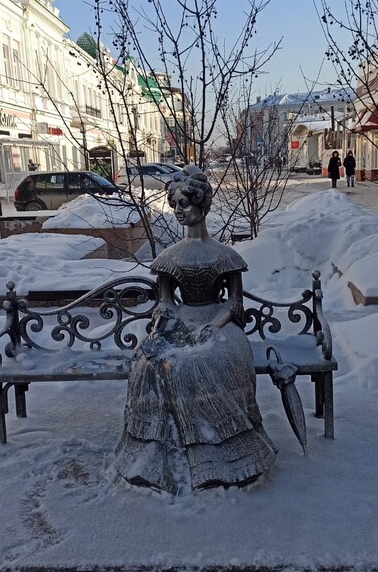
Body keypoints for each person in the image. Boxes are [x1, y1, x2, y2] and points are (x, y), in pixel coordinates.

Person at [115, 164, 277, 495]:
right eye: (174, 205)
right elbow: (164, 303)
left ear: (202, 206)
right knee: (150, 364)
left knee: (212, 360)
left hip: (219, 322)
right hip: (179, 320)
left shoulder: (225, 255)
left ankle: (225, 454)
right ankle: (158, 457)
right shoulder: (169, 257)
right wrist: (167, 326)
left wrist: (212, 327)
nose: (178, 212)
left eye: (185, 205)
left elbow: (234, 305)